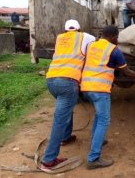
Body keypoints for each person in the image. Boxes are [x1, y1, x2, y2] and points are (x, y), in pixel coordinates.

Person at [80, 26, 135, 169]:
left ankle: (98, 140)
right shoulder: (114, 51)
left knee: (99, 115)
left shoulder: (91, 46)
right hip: (99, 89)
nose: (118, 39)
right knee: (104, 120)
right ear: (114, 36)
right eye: (117, 37)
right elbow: (128, 72)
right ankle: (93, 158)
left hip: (86, 88)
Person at [42, 19, 96, 169]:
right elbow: (97, 44)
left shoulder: (59, 38)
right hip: (67, 82)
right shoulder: (85, 36)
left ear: (66, 30)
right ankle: (49, 160)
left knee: (65, 111)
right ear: (78, 29)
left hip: (51, 81)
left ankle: (66, 137)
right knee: (60, 119)